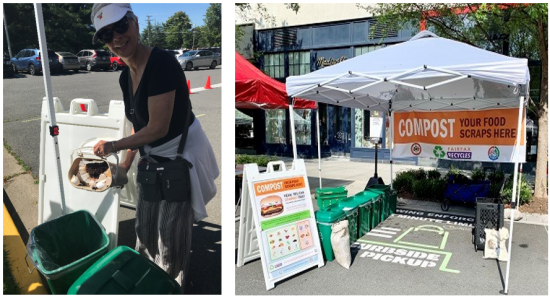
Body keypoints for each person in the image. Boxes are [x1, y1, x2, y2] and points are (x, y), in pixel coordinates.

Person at [90, 3, 219, 292]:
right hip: (153, 158)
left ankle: (170, 285)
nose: (116, 38)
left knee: (170, 236)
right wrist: (123, 166)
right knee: (145, 228)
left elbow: (158, 128)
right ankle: (149, 281)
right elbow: (140, 124)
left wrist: (113, 145)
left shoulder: (161, 62)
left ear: (135, 23)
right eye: (107, 35)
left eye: (121, 26)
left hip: (178, 158)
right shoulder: (125, 76)